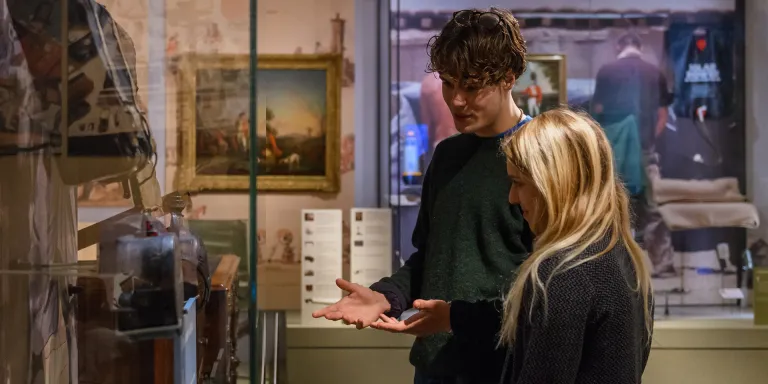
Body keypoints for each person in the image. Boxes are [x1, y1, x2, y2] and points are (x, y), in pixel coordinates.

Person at [313, 8, 533, 383]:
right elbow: (430, 258)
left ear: (508, 78)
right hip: (435, 366)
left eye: (471, 85)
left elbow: (550, 286)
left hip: (503, 368)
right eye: (449, 83)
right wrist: (387, 296)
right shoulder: (447, 156)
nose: (457, 100)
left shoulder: (541, 155)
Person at [374, 108, 655, 383]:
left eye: (519, 183)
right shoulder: (622, 257)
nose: (512, 198)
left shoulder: (562, 275)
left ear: (554, 184)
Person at [591, 32, 675, 277]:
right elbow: (662, 115)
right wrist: (646, 140)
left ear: (619, 46)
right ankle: (662, 265)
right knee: (651, 207)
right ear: (640, 46)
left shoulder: (606, 71)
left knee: (609, 207)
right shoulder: (654, 72)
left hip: (613, 150)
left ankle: (608, 266)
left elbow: (597, 110)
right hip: (644, 150)